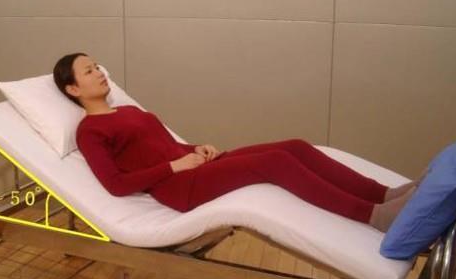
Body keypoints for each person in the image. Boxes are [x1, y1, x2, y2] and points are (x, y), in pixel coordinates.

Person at [53, 52, 426, 232]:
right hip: (179, 187)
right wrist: (175, 166)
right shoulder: (90, 131)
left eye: (97, 66)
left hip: (194, 167)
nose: (99, 72)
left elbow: (163, 144)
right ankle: (374, 217)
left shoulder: (127, 110)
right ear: (73, 89)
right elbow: (115, 184)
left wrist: (195, 148)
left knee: (294, 146)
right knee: (276, 164)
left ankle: (384, 194)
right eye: (89, 71)